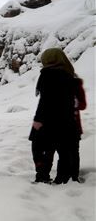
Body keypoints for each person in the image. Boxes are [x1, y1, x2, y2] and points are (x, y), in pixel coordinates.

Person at [29, 48, 86, 184]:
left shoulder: (45, 75)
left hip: (46, 121)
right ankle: (65, 178)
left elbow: (44, 102)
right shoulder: (69, 76)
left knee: (44, 150)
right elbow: (77, 104)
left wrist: (37, 122)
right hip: (66, 122)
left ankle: (42, 176)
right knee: (67, 151)